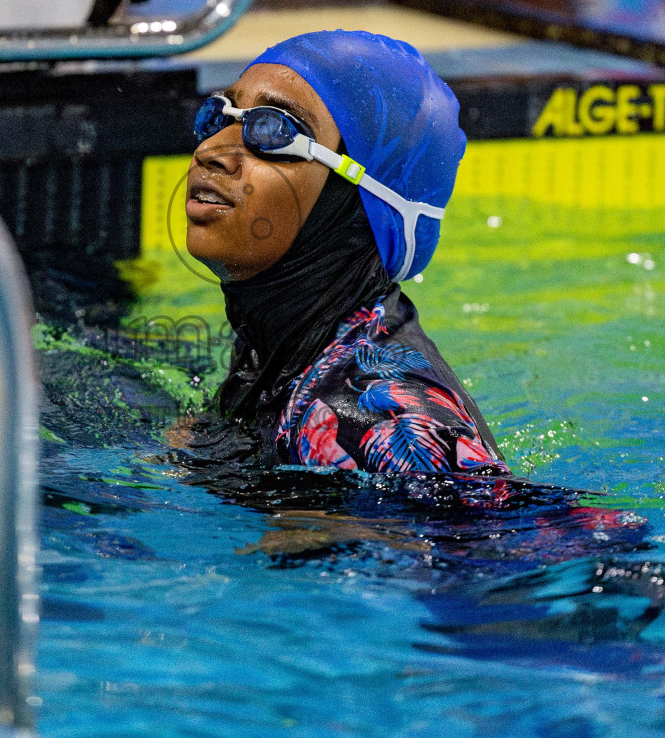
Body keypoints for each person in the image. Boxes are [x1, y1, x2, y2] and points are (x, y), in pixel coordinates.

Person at [184, 30, 506, 476]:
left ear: (357, 200)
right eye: (222, 117)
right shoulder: (282, 339)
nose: (210, 151)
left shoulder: (381, 427)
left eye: (274, 130)